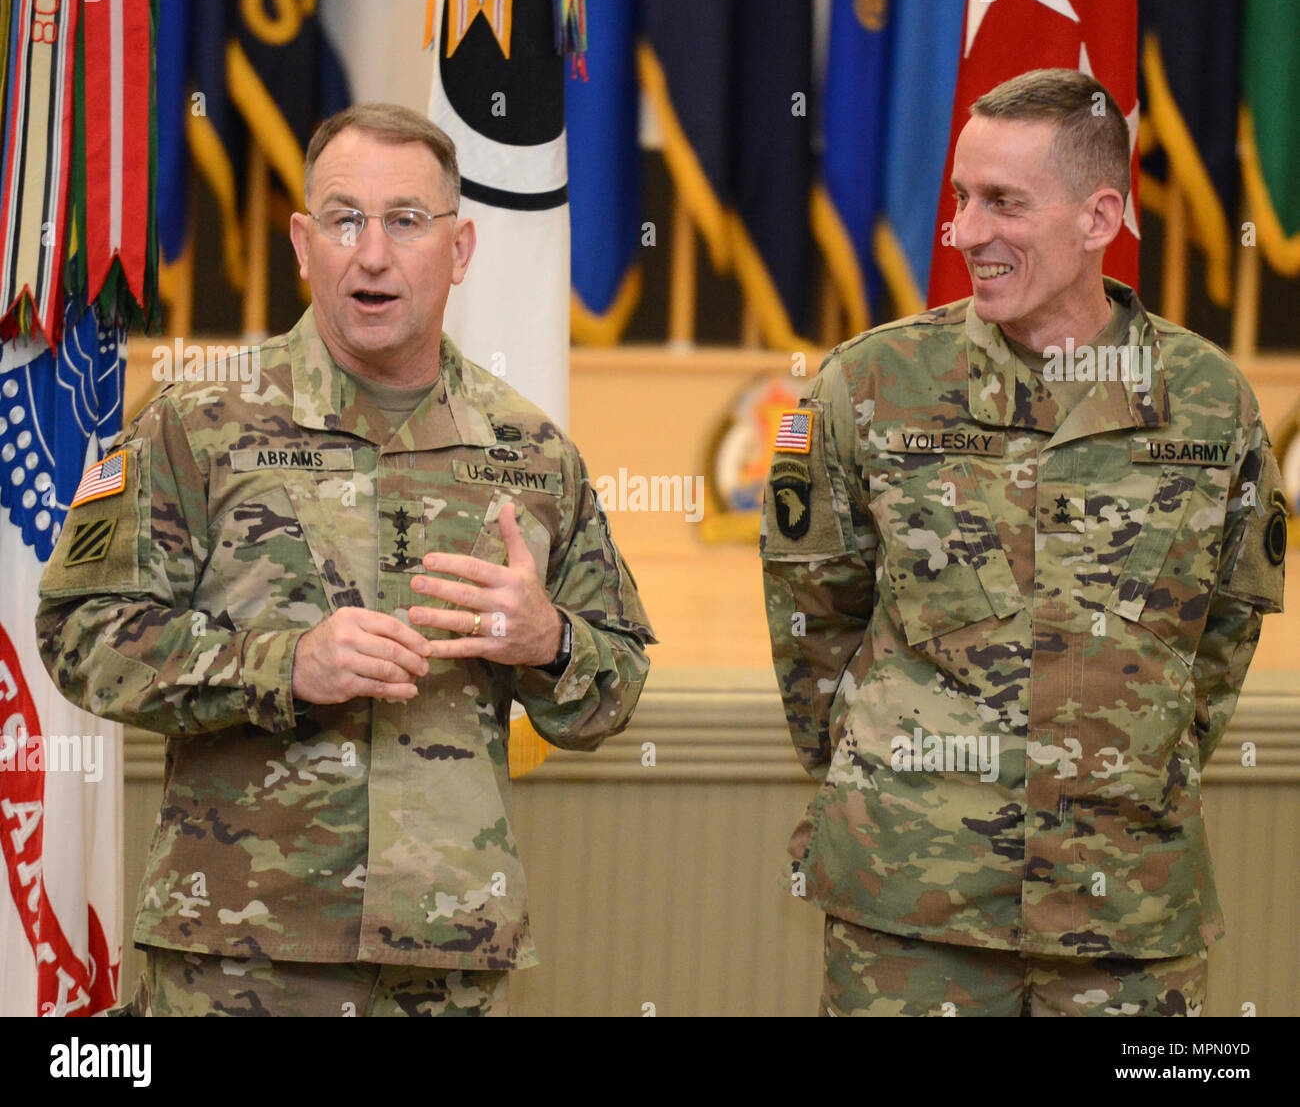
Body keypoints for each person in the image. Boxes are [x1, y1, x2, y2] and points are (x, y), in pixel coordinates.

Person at [36, 102, 655, 1017]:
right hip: (233, 954)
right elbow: (79, 631)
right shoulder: (193, 424)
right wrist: (286, 665)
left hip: (442, 962)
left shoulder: (530, 451)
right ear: (301, 242)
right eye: (344, 219)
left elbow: (615, 683)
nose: (372, 254)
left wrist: (548, 639)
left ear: (461, 249)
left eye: (406, 221)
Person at [761, 68, 1287, 1017]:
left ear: (1099, 218)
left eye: (1004, 202)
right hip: (911, 914)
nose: (967, 231)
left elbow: (1220, 640)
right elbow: (813, 630)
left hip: (1128, 916)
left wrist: (1116, 770)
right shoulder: (867, 386)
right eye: (961, 198)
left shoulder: (1211, 402)